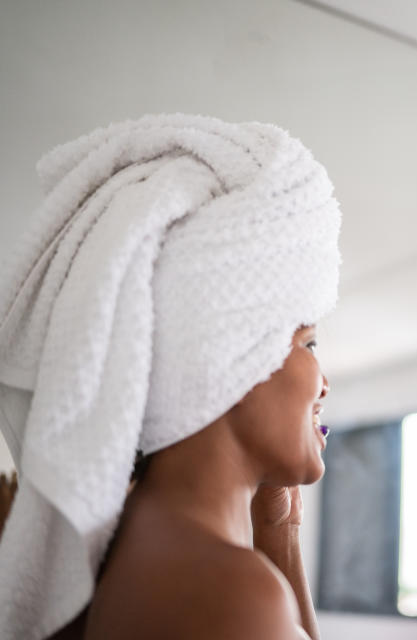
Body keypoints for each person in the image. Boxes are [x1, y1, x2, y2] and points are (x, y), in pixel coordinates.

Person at [0, 114, 341, 639]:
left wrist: (280, 533)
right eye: (309, 343)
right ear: (231, 349)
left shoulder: (122, 558)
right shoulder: (234, 596)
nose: (324, 384)